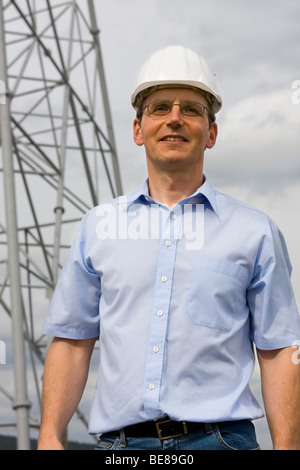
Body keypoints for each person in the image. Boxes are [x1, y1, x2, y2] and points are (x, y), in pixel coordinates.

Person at [38, 46, 300, 451]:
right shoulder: (99, 227)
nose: (174, 118)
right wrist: (50, 436)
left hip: (222, 441)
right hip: (120, 448)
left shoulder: (256, 232)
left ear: (211, 133)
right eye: (159, 107)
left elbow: (280, 350)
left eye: (191, 109)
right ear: (138, 129)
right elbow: (73, 341)